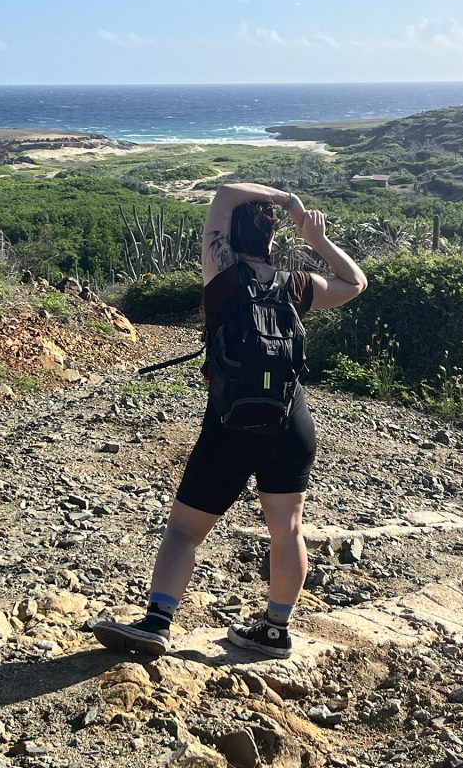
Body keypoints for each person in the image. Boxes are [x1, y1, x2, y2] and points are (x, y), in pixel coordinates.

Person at [93, 182, 367, 658]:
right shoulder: (297, 285)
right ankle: (275, 628)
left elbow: (223, 194)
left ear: (229, 236)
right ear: (272, 238)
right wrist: (314, 235)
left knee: (184, 530)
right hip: (290, 421)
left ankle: (158, 620)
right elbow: (355, 283)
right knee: (287, 529)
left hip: (230, 422)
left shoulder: (221, 274)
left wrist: (281, 197)